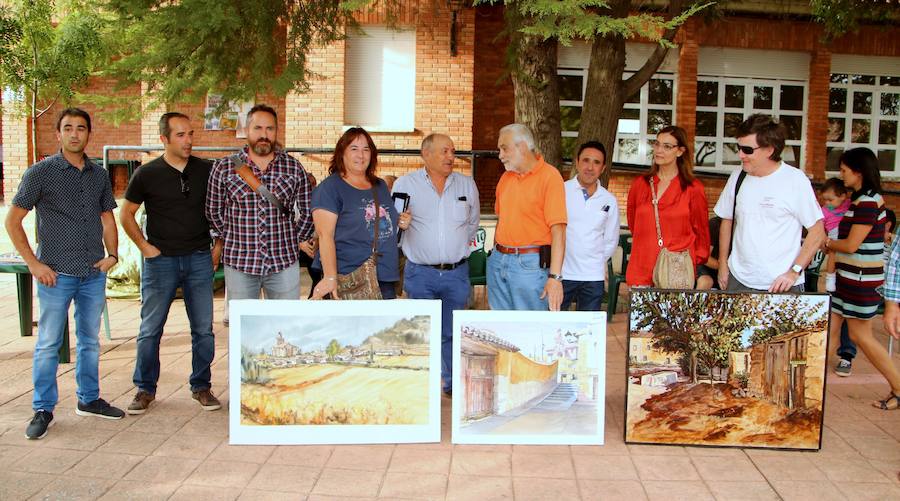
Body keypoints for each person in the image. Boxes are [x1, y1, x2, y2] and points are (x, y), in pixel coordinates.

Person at [5, 108, 125, 440]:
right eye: (68, 128)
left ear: (89, 135)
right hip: (55, 275)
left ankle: (88, 399)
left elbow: (107, 219)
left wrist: (112, 255)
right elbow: (13, 221)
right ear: (58, 134)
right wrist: (34, 263)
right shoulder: (40, 174)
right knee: (47, 344)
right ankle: (43, 408)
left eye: (81, 129)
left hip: (92, 273)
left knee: (89, 341)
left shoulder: (99, 175)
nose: (75, 134)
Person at [120, 112, 219, 415]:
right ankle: (145, 389)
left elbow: (225, 211)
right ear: (164, 139)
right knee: (151, 329)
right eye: (180, 135)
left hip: (200, 259)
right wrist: (145, 247)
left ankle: (201, 386)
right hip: (160, 262)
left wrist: (217, 250)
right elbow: (126, 215)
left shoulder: (207, 170)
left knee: (203, 329)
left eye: (190, 134)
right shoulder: (146, 174)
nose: (188, 140)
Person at [393, 133, 480, 395]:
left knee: (452, 332)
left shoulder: (467, 185)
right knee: (422, 332)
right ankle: (423, 387)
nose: (451, 157)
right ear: (425, 154)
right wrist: (401, 226)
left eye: (452, 151)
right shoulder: (405, 184)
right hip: (420, 273)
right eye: (444, 152)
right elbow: (394, 228)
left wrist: (454, 249)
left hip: (456, 273)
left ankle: (452, 382)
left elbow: (472, 224)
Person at [206, 104, 314, 315]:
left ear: (276, 131)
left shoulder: (293, 167)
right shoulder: (224, 168)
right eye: (258, 128)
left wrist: (294, 239)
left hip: (283, 263)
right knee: (242, 332)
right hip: (240, 263)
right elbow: (213, 210)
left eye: (270, 129)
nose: (264, 135)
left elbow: (308, 210)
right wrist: (232, 237)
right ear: (247, 130)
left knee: (286, 325)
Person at [715, 114, 825, 292]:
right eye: (739, 147)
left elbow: (817, 231)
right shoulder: (737, 177)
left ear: (769, 150)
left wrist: (794, 271)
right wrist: (723, 265)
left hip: (782, 285)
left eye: (748, 150)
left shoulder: (794, 180)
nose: (740, 154)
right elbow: (726, 220)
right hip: (738, 279)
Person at [826, 147, 900, 410]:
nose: (841, 175)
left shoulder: (869, 201)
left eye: (845, 170)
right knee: (830, 333)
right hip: (849, 278)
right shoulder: (859, 200)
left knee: (861, 336)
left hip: (860, 280)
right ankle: (810, 389)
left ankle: (899, 387)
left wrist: (827, 243)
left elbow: (851, 245)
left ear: (858, 172)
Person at [310, 127, 410, 300]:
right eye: (354, 149)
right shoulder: (330, 188)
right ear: (342, 153)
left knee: (383, 328)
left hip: (384, 276)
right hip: (349, 277)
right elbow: (325, 236)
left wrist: (401, 222)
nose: (361, 155)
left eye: (366, 149)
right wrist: (330, 277)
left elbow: (383, 221)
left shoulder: (379, 185)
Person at [488, 123, 566, 311]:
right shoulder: (505, 178)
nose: (500, 155)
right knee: (500, 330)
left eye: (504, 148)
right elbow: (502, 220)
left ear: (522, 146)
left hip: (530, 266)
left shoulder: (550, 177)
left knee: (531, 331)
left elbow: (559, 232)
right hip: (498, 261)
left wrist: (555, 278)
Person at [626, 126, 710, 287]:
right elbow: (633, 223)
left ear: (680, 151)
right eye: (657, 144)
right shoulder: (640, 184)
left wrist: (692, 260)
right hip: (641, 266)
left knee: (673, 313)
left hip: (676, 269)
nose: (659, 150)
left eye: (667, 146)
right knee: (642, 312)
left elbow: (701, 231)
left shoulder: (693, 188)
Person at [561, 141, 619, 310]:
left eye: (596, 162)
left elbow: (611, 240)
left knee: (587, 331)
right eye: (586, 160)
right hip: (563, 273)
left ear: (603, 168)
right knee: (555, 327)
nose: (590, 167)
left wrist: (595, 261)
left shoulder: (609, 200)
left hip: (593, 277)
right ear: (577, 162)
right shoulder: (561, 191)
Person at [820, 177, 851, 292]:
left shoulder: (849, 204)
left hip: (847, 233)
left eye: (830, 200)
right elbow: (820, 226)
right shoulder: (824, 210)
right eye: (825, 200)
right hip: (833, 234)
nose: (827, 203)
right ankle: (830, 277)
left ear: (842, 196)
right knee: (833, 253)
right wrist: (823, 239)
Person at [695, 216, 722, 290]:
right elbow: (704, 257)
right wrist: (723, 267)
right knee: (706, 281)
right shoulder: (715, 224)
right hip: (704, 264)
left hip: (723, 269)